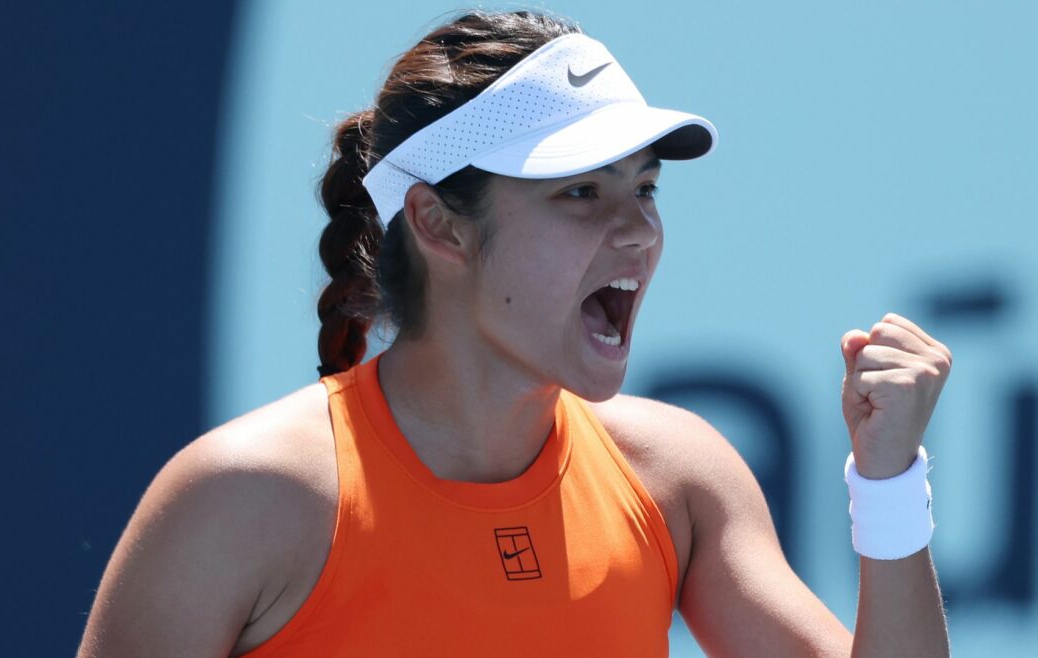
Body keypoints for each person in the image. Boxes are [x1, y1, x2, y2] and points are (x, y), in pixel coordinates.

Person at [78, 10, 952, 657]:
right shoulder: (242, 500)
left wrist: (888, 486)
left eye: (645, 189)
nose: (638, 230)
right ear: (439, 224)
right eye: (581, 192)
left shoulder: (678, 477)